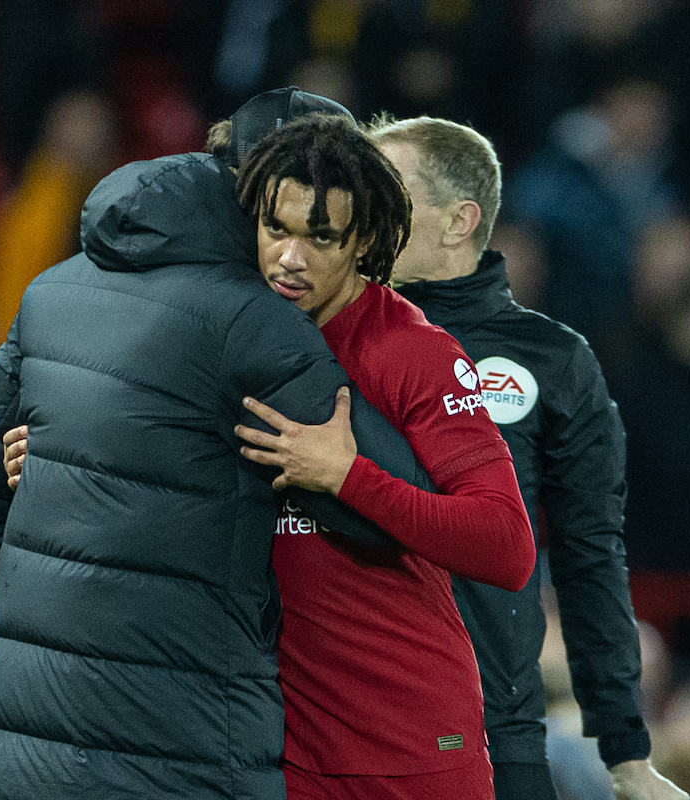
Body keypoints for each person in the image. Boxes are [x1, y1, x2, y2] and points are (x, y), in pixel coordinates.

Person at [0, 87, 435, 800]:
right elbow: (401, 514)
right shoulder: (259, 323)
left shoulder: (51, 290)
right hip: (191, 751)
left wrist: (50, 622)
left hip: (30, 753)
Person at [365, 114, 688, 800]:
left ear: (458, 222)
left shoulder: (552, 360)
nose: (359, 209)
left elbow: (589, 554)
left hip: (489, 734)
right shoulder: (314, 340)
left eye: (383, 190)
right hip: (330, 726)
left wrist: (625, 751)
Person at [229, 113, 535, 800]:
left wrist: (347, 477)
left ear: (363, 240)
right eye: (276, 229)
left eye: (322, 237)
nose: (290, 259)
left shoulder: (415, 352)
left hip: (414, 749)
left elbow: (506, 547)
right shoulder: (229, 343)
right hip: (291, 754)